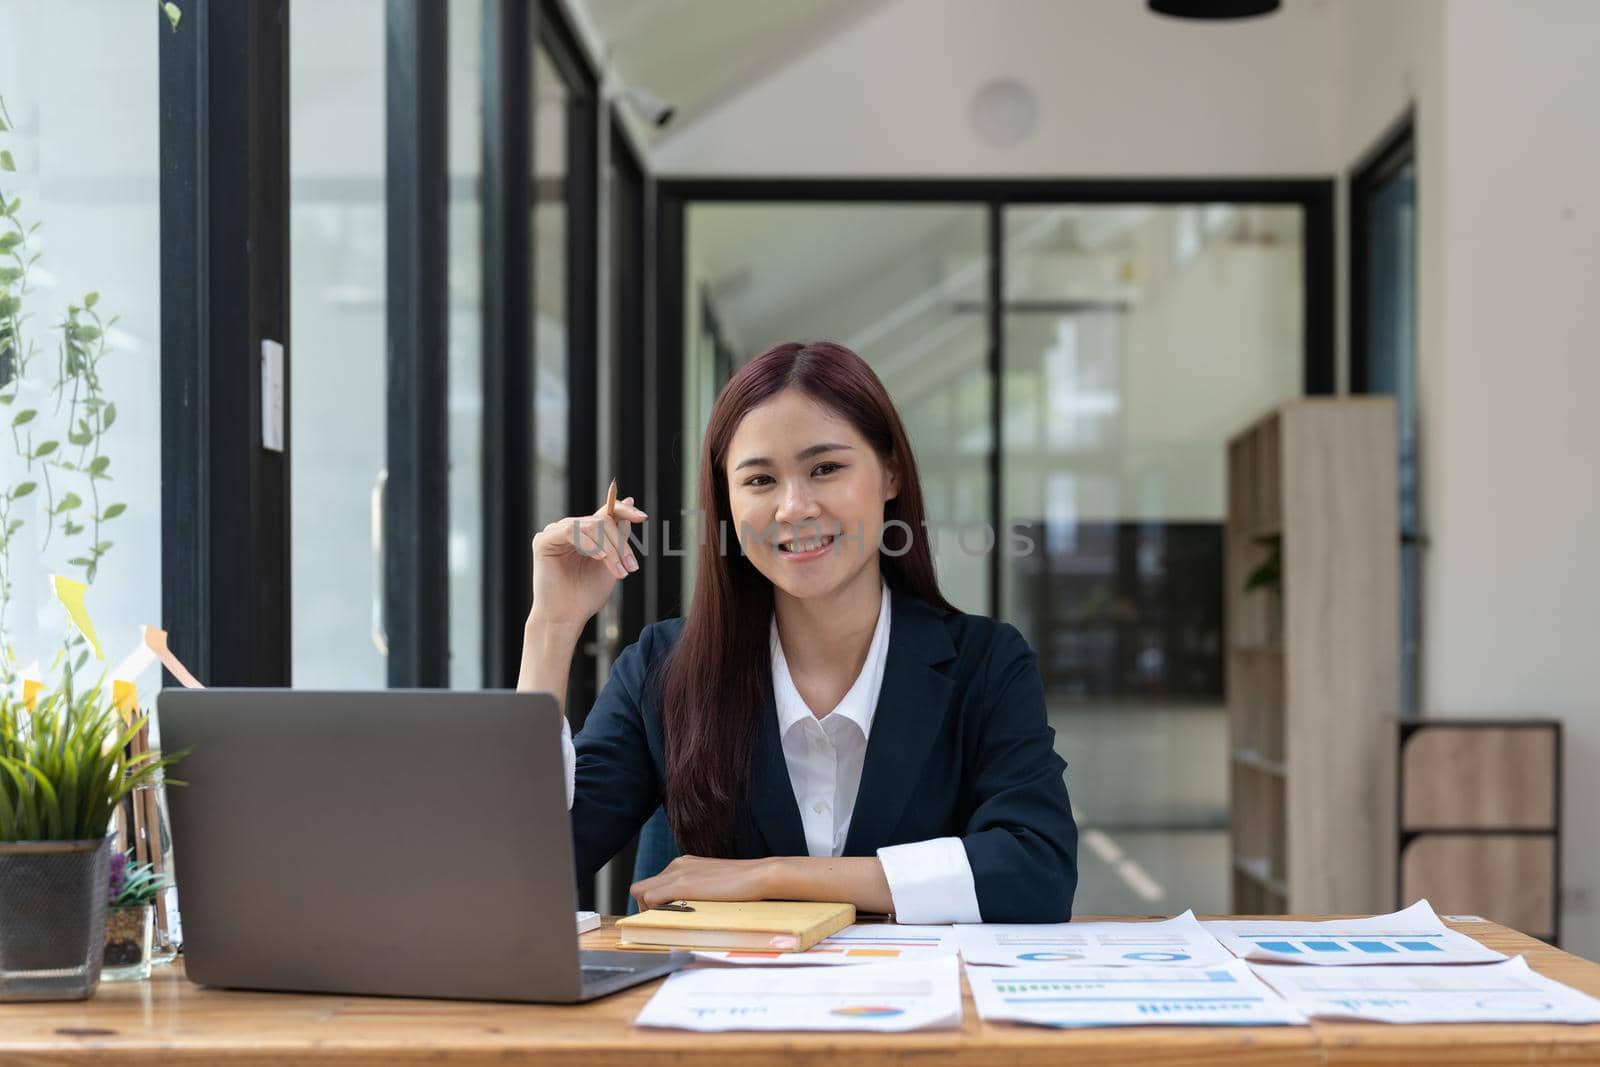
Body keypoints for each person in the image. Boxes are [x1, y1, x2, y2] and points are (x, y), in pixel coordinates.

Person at [518, 340, 1078, 923]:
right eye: (759, 480)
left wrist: (773, 877)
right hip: (729, 1010)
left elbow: (1036, 870)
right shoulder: (664, 668)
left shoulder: (985, 664)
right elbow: (523, 871)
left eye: (825, 468)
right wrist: (551, 629)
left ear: (890, 473)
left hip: (928, 1011)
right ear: (727, 503)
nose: (794, 507)